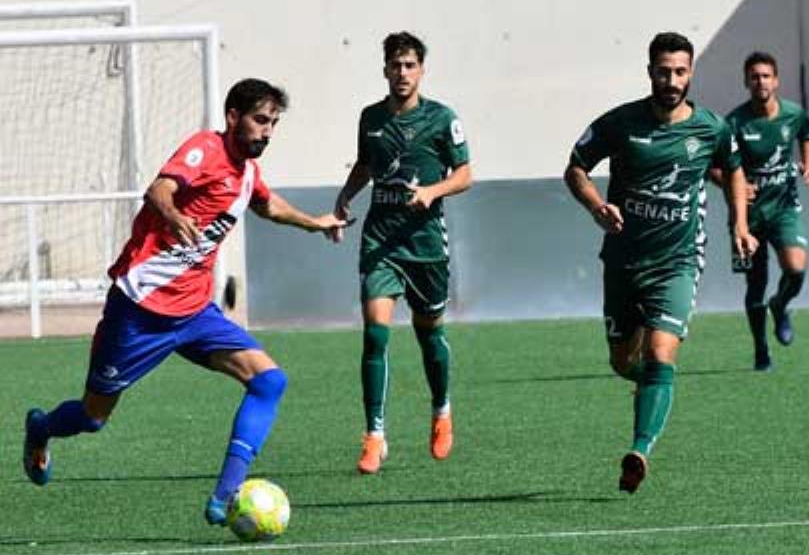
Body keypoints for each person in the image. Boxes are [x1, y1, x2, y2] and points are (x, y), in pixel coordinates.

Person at [21, 78, 346, 526]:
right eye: (259, 120)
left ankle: (226, 497)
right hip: (139, 311)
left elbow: (267, 207)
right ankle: (41, 428)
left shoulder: (248, 173)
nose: (267, 131)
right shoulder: (206, 149)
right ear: (233, 117)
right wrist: (172, 217)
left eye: (273, 123)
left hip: (194, 312)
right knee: (94, 417)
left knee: (269, 381)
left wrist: (315, 223)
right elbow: (158, 190)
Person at [564, 31, 756, 494]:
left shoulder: (711, 128)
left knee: (660, 352)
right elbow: (575, 167)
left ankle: (639, 449)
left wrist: (739, 224)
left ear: (691, 73)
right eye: (664, 71)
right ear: (650, 71)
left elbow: (733, 169)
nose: (672, 80)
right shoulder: (620, 123)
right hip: (624, 262)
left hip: (679, 261)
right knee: (621, 361)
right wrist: (596, 206)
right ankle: (650, 386)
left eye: (680, 72)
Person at [331, 31, 472, 475]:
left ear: (421, 70)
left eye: (410, 65)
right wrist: (344, 197)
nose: (402, 73)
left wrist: (432, 191)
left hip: (426, 243)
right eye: (396, 65)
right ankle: (375, 435)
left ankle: (442, 411)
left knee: (429, 332)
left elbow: (465, 174)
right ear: (385, 69)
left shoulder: (442, 118)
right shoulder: (371, 118)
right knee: (375, 332)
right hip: (381, 239)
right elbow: (366, 164)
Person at [713, 51, 809, 371]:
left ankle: (781, 304)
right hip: (747, 217)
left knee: (796, 268)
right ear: (746, 81)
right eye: (755, 76)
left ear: (776, 80)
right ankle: (761, 351)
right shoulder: (733, 123)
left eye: (766, 76)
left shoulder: (793, 113)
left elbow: (807, 133)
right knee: (755, 285)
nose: (761, 81)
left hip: (784, 206)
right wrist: (734, 187)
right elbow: (712, 166)